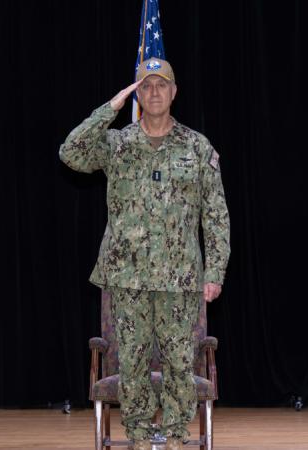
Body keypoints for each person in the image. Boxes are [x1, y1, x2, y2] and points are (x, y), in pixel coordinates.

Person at [60, 57, 230, 450]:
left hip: (180, 276)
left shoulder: (196, 146)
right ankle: (137, 434)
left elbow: (216, 215)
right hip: (128, 276)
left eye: (161, 85)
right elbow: (70, 151)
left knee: (177, 363)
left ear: (174, 92)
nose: (154, 93)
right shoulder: (118, 144)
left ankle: (173, 435)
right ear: (138, 94)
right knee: (132, 364)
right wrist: (111, 108)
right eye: (146, 86)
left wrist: (215, 272)